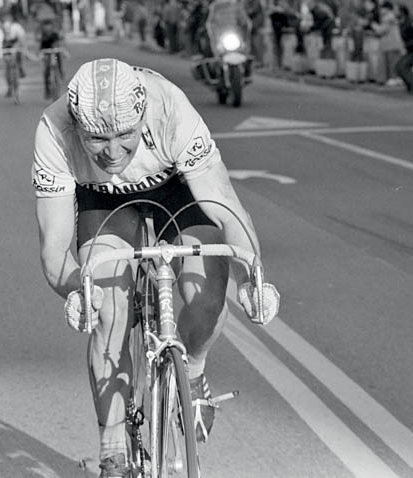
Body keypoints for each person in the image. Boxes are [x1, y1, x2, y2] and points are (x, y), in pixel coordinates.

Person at [32, 58, 280, 478]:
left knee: (207, 296)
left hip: (177, 186)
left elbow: (227, 211)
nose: (113, 153)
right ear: (76, 127)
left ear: (143, 115)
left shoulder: (170, 107)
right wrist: (79, 288)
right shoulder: (53, 131)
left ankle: (194, 369)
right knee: (109, 308)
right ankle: (112, 449)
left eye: (126, 136)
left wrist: (252, 277)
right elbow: (54, 250)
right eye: (97, 140)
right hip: (102, 200)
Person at [0, 12, 27, 96]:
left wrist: (23, 49)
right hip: (6, 49)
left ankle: (21, 69)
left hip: (15, 48)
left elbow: (22, 40)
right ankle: (9, 86)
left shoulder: (17, 28)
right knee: (7, 68)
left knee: (18, 58)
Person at [371, 1, 404, 85]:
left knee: (392, 63)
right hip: (392, 44)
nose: (381, 10)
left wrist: (373, 25)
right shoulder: (391, 17)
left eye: (382, 8)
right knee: (393, 62)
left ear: (387, 9)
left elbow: (381, 30)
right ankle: (395, 79)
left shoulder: (388, 18)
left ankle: (394, 79)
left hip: (390, 44)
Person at [394, 4, 413, 94]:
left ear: (402, 12)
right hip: (410, 49)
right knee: (398, 67)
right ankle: (410, 86)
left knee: (403, 66)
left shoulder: (412, 21)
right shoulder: (401, 22)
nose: (394, 12)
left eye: (396, 10)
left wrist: (407, 45)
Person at [38, 19, 65, 99]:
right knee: (46, 71)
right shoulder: (43, 36)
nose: (47, 29)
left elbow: (59, 43)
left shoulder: (55, 34)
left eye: (49, 27)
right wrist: (41, 53)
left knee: (58, 59)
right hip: (47, 54)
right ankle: (47, 89)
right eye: (46, 27)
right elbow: (41, 47)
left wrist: (60, 49)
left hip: (54, 52)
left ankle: (60, 73)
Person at [244, 0, 266, 64]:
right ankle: (253, 62)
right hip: (249, 27)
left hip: (256, 27)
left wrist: (245, 12)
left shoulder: (257, 2)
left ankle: (260, 62)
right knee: (251, 45)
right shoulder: (245, 2)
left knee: (257, 45)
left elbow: (251, 11)